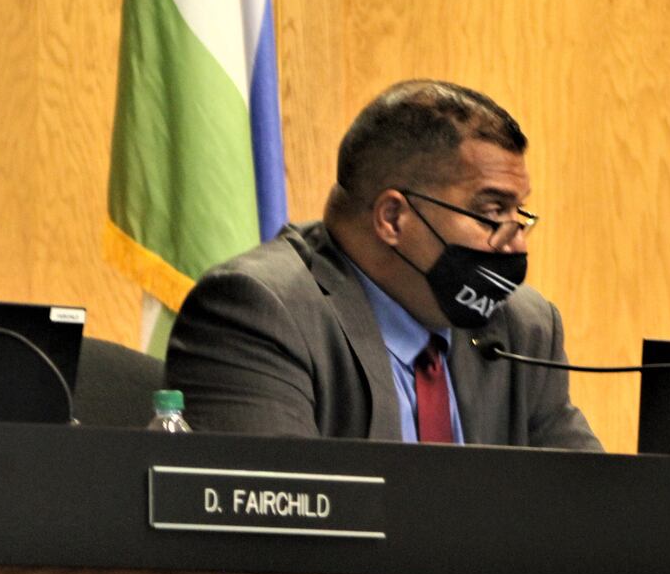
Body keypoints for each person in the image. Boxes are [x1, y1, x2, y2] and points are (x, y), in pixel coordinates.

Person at [166, 80, 601, 449]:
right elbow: (278, 529)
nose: (516, 241)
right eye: (491, 212)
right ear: (393, 218)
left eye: (519, 214)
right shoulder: (260, 313)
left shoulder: (523, 328)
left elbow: (588, 512)